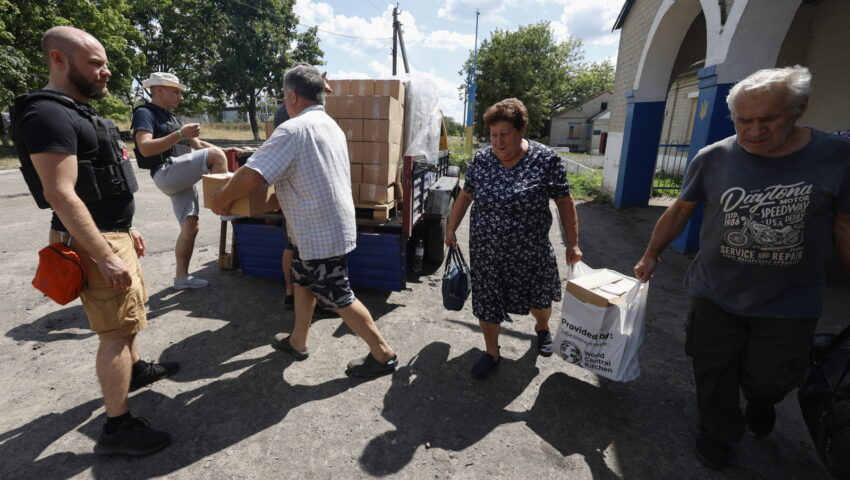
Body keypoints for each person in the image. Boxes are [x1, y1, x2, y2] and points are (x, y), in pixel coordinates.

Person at [633, 66, 850, 470]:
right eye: (743, 120)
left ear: (800, 108)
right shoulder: (713, 158)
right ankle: (717, 430)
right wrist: (650, 254)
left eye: (768, 119)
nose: (754, 130)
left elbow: (844, 225)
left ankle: (762, 401)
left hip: (790, 301)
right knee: (712, 368)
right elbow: (680, 209)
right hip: (716, 291)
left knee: (772, 375)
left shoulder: (836, 157)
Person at [11, 26, 178, 456]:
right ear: (58, 59)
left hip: (112, 233)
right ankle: (117, 427)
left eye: (105, 62)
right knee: (114, 334)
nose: (106, 71)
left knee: (126, 321)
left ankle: (136, 371)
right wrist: (104, 254)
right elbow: (60, 193)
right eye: (95, 63)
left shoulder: (78, 110)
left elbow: (95, 184)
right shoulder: (47, 114)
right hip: (94, 243)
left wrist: (126, 228)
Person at [209, 64, 398, 378]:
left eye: (284, 98)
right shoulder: (329, 125)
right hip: (315, 228)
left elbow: (252, 174)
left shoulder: (293, 130)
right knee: (301, 280)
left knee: (339, 295)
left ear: (292, 96)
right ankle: (298, 341)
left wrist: (222, 199)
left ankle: (383, 354)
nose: (284, 103)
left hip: (319, 231)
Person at [445, 98, 582, 379]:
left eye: (504, 135)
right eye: (493, 136)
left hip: (530, 252)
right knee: (487, 301)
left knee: (540, 299)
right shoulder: (481, 161)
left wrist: (573, 243)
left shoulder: (545, 160)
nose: (498, 142)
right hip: (487, 251)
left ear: (522, 131)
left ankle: (542, 328)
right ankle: (491, 351)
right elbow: (465, 196)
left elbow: (565, 203)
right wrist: (451, 228)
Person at [132, 72, 241, 290]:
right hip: (165, 171)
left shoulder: (171, 118)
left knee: (191, 226)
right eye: (176, 92)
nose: (180, 96)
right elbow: (144, 147)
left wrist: (224, 150)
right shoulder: (144, 113)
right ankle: (224, 207)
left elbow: (198, 146)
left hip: (177, 173)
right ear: (158, 90)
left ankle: (181, 278)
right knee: (216, 158)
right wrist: (180, 134)